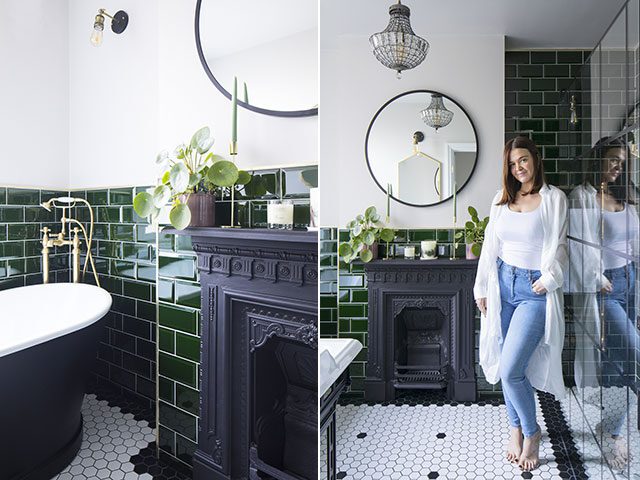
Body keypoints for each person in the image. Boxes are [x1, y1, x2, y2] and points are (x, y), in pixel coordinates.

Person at [473, 136, 568, 472]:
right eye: (513, 164)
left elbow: (560, 247)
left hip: (533, 290)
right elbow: (489, 246)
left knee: (513, 370)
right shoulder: (501, 198)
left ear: (535, 159)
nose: (519, 168)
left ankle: (532, 433)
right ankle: (515, 426)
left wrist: (548, 280)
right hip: (502, 285)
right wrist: (482, 287)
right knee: (502, 361)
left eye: (523, 160)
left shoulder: (554, 199)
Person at [567, 136, 639, 470]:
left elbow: (634, 243)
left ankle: (611, 432)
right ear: (598, 159)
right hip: (605, 287)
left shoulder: (626, 197)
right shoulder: (583, 196)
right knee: (635, 356)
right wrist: (597, 278)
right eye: (612, 160)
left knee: (616, 364)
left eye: (622, 162)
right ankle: (612, 431)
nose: (617, 167)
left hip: (630, 281)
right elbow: (579, 247)